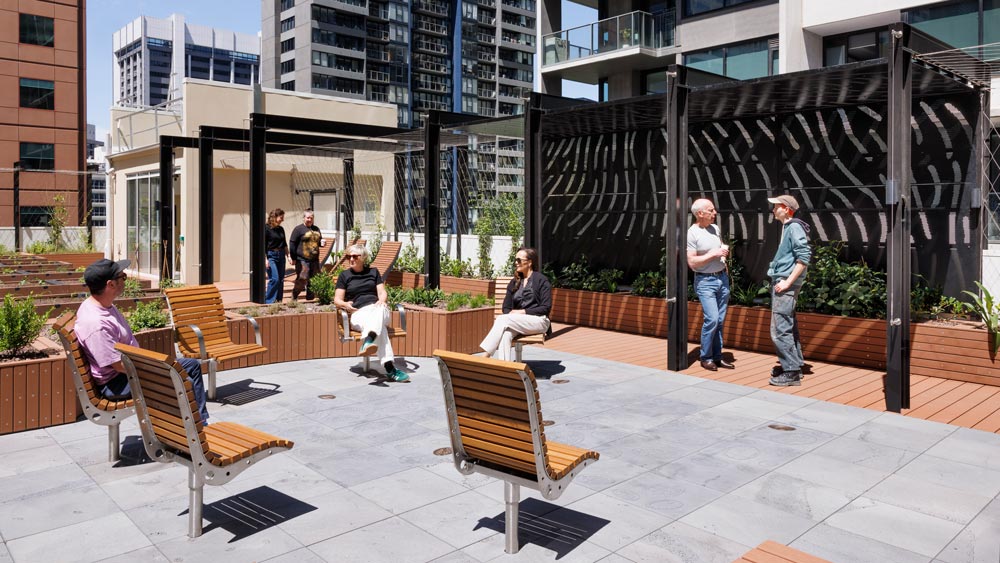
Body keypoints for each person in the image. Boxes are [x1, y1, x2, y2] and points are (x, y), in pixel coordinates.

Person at [74, 259, 209, 422]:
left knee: (192, 366)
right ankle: (187, 437)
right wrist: (156, 369)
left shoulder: (103, 305)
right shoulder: (96, 324)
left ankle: (201, 425)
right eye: (122, 276)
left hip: (130, 368)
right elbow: (117, 365)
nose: (125, 279)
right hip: (117, 381)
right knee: (181, 380)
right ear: (110, 284)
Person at [333, 243, 410, 382]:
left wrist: (382, 300)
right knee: (381, 329)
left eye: (354, 256)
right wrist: (345, 305)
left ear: (362, 258)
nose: (351, 259)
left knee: (380, 309)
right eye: (348, 256)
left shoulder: (373, 272)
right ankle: (390, 369)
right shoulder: (344, 276)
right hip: (359, 312)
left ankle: (368, 341)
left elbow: (382, 292)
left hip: (377, 309)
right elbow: (337, 299)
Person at [766, 194, 812, 387]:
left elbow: (804, 256)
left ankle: (791, 371)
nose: (773, 210)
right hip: (786, 281)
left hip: (785, 283)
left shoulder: (793, 227)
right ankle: (794, 365)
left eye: (776, 206)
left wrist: (787, 282)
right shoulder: (789, 227)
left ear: (786, 208)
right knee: (788, 325)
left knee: (779, 329)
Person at [686, 198, 734, 371]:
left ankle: (717, 357)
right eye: (711, 210)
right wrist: (713, 254)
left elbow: (718, 247)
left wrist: (722, 253)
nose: (715, 213)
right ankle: (705, 357)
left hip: (722, 278)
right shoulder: (692, 233)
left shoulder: (715, 228)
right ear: (700, 214)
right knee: (712, 319)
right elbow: (692, 262)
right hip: (705, 281)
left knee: (720, 321)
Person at [480, 247, 552, 361]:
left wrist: (522, 312)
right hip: (518, 322)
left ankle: (485, 356)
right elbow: (506, 308)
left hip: (539, 321)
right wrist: (515, 315)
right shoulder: (514, 282)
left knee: (502, 319)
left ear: (529, 262)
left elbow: (546, 308)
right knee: (506, 334)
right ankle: (505, 369)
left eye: (519, 260)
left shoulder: (541, 280)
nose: (516, 263)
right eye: (515, 260)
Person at [288, 208, 324, 301]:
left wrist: (321, 243)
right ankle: (294, 295)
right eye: (308, 218)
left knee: (314, 279)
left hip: (314, 260)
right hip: (302, 259)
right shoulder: (298, 229)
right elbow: (292, 244)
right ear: (304, 218)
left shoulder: (316, 229)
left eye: (311, 218)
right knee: (302, 278)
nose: (309, 220)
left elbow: (319, 241)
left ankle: (310, 298)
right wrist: (293, 257)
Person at [265, 208, 289, 304]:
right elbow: (263, 245)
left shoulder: (281, 229)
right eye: (281, 217)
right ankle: (268, 301)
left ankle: (278, 301)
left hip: (281, 255)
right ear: (275, 217)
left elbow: (284, 244)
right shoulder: (266, 228)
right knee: (275, 279)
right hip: (271, 255)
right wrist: (265, 260)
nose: (283, 219)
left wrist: (289, 255)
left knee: (281, 280)